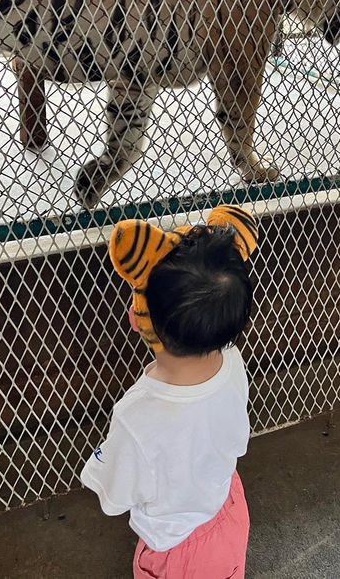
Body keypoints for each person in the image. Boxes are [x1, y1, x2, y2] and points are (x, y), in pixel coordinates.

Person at [80, 204, 257, 578]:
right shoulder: (232, 362)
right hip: (228, 510)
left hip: (176, 549)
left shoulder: (137, 415)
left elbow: (114, 494)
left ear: (137, 315)